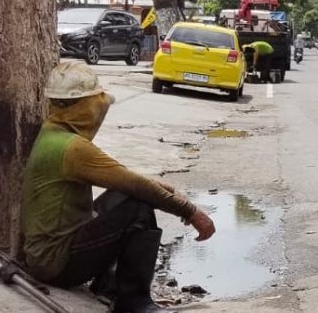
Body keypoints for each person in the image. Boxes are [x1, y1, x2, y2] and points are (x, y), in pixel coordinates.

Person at [20, 62, 216, 313]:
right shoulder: (71, 148)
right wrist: (190, 211)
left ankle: (108, 287)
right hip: (55, 263)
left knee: (122, 197)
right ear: (84, 106)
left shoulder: (54, 133)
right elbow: (136, 186)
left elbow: (122, 177)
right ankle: (133, 301)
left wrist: (168, 189)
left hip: (46, 256)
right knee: (138, 206)